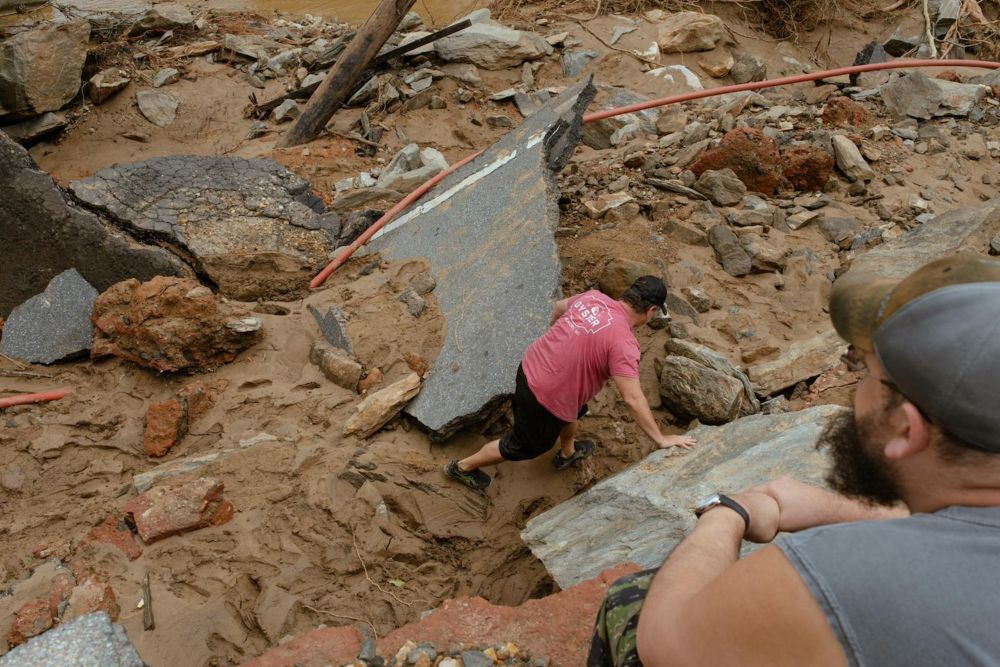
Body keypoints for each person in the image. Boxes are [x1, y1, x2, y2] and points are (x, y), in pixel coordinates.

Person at [588, 253, 1000, 667]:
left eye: (862, 366)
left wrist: (727, 512)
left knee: (630, 600)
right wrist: (837, 508)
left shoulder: (847, 575)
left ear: (905, 429)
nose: (856, 384)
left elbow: (665, 640)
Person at [444, 276, 697, 490]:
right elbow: (632, 397)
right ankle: (462, 467)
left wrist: (560, 338)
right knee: (523, 445)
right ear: (651, 311)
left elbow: (558, 308)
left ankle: (568, 451)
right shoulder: (624, 344)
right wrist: (660, 439)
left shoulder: (594, 298)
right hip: (546, 398)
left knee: (576, 410)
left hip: (531, 365)